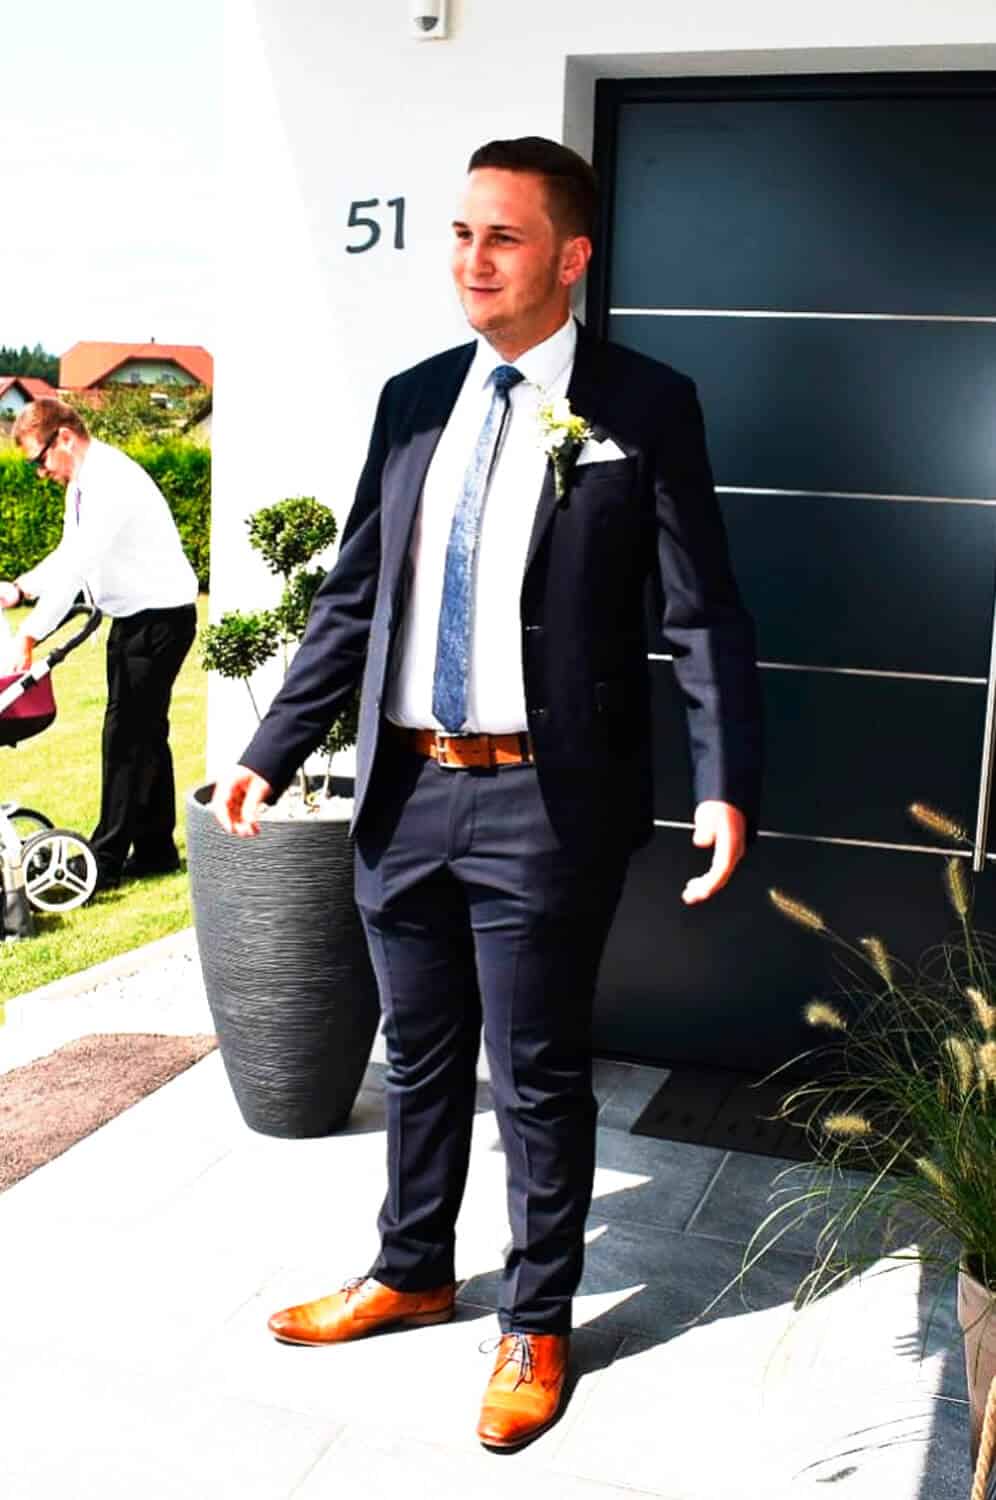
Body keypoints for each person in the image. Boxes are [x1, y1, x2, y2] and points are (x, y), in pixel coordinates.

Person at [211, 137, 763, 1450]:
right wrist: (270, 746)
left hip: (541, 801)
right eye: (461, 233)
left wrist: (725, 777)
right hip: (406, 791)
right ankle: (410, 1268)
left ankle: (536, 1319)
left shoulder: (644, 404)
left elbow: (701, 610)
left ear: (570, 258)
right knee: (418, 1060)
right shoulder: (413, 399)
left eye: (503, 237)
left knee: (535, 1072)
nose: (471, 259)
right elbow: (356, 595)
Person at [1, 398, 198, 887]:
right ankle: (155, 851)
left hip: (159, 620)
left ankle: (104, 861)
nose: (41, 473)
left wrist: (31, 632)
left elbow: (78, 565)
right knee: (147, 733)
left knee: (125, 737)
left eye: (39, 460)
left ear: (64, 438)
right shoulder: (83, 484)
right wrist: (23, 588)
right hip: (136, 620)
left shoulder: (110, 481)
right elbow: (69, 553)